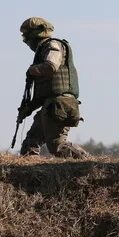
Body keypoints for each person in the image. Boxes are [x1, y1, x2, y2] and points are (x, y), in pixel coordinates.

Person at [17, 17, 89, 158]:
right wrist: (28, 108)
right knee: (31, 143)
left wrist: (33, 70)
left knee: (57, 146)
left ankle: (88, 163)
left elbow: (51, 66)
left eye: (26, 38)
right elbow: (44, 93)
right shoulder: (43, 51)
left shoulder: (53, 46)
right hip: (51, 105)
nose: (26, 43)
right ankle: (31, 172)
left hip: (58, 106)